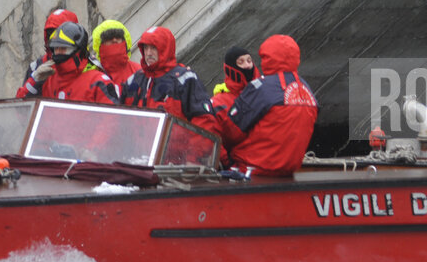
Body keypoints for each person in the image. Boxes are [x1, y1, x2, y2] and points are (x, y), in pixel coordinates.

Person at [227, 34, 317, 176]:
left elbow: (232, 130)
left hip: (252, 169)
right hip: (288, 170)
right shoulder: (306, 89)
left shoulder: (261, 87)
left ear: (268, 58)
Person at [122, 26, 219, 136]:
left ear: (165, 49)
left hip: (176, 150)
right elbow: (121, 120)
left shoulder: (185, 79)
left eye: (153, 48)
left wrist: (188, 152)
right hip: (141, 151)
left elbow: (204, 122)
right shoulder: (135, 81)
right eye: (145, 48)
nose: (148, 53)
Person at [40, 22, 119, 104]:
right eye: (56, 48)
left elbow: (112, 116)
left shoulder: (98, 82)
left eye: (63, 48)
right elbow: (28, 109)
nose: (58, 52)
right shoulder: (48, 79)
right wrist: (35, 81)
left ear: (78, 51)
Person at [16, 8, 79, 98]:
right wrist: (35, 80)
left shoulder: (88, 65)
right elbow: (21, 106)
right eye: (51, 34)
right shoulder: (37, 66)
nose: (56, 42)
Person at [211, 46, 260, 159]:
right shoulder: (218, 103)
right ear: (230, 67)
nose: (247, 65)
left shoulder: (265, 91)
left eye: (249, 60)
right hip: (241, 164)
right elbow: (213, 138)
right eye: (241, 62)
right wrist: (227, 163)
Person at [88, 19, 142, 86]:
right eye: (109, 37)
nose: (114, 40)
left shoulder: (139, 71)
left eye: (118, 36)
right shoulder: (94, 78)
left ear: (124, 40)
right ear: (100, 44)